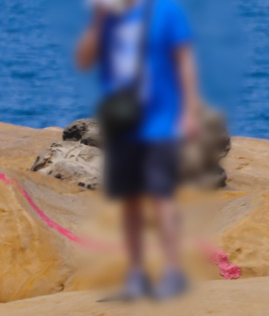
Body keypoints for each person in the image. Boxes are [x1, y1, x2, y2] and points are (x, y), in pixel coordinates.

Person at [76, 0, 202, 300]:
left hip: (160, 122)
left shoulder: (165, 11)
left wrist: (189, 112)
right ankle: (136, 275)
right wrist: (96, 21)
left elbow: (184, 59)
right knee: (129, 201)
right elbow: (84, 60)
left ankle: (172, 272)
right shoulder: (108, 16)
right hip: (122, 123)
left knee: (161, 197)